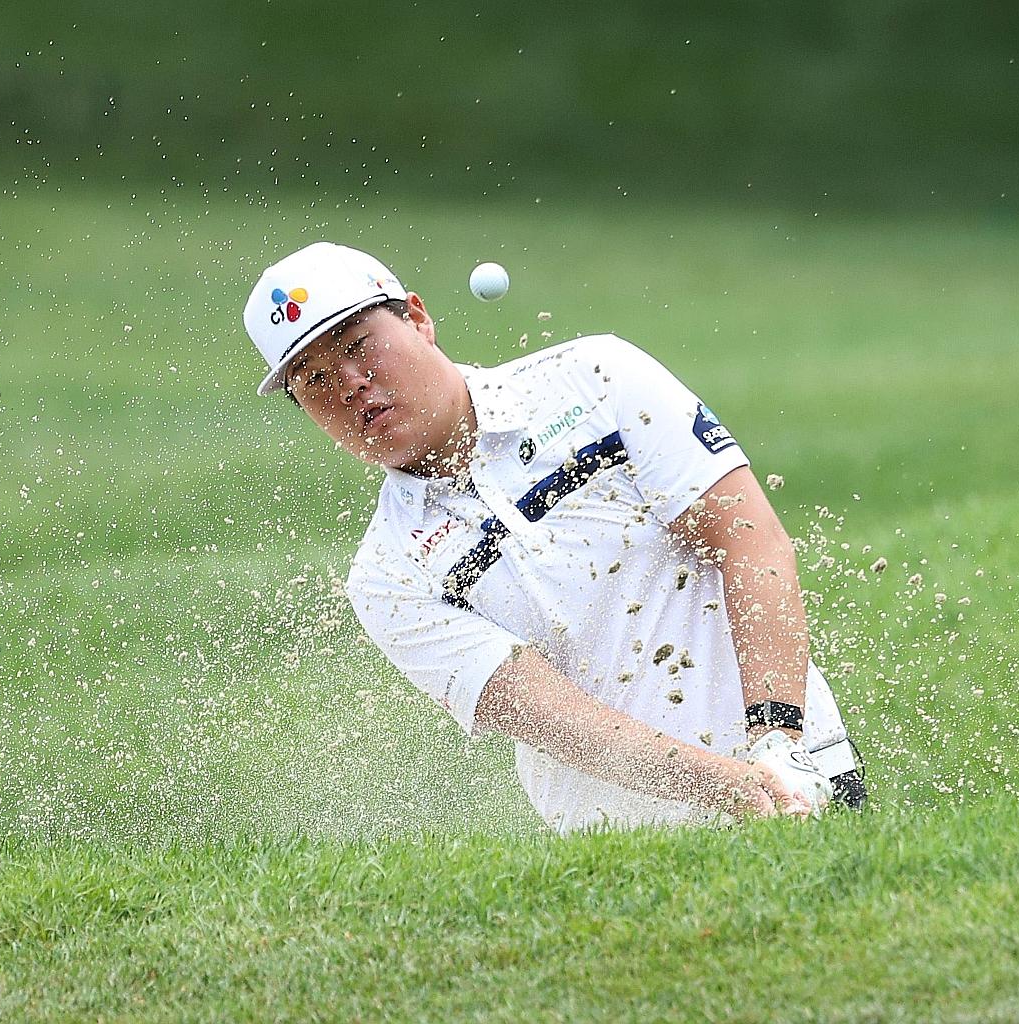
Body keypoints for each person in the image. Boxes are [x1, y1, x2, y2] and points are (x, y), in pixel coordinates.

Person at [242, 241, 865, 833]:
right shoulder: (388, 574)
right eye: (315, 380)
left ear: (417, 318)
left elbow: (747, 541)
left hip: (805, 773)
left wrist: (778, 748)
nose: (349, 383)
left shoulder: (596, 378)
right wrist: (731, 787)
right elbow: (551, 716)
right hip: (623, 843)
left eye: (359, 345)